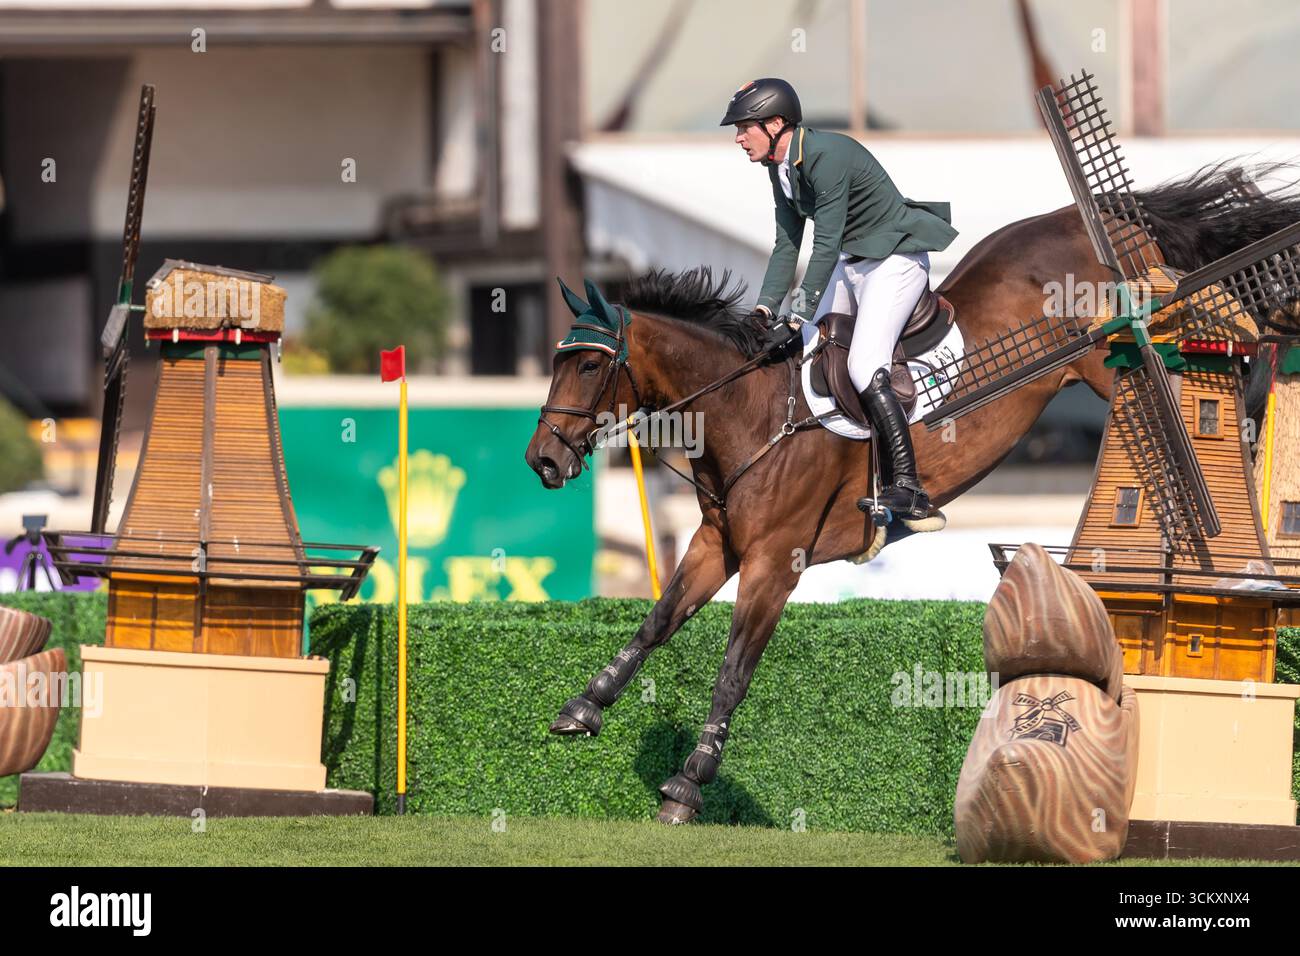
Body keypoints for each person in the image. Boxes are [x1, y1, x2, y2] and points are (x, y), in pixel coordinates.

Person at [721, 77, 958, 521]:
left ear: (775, 124)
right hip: (852, 263)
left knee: (865, 365)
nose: (738, 138)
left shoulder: (826, 157)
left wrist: (798, 312)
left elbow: (823, 245)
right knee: (806, 350)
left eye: (744, 127)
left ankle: (908, 485)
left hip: (894, 260)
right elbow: (787, 243)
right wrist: (765, 308)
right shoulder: (780, 167)